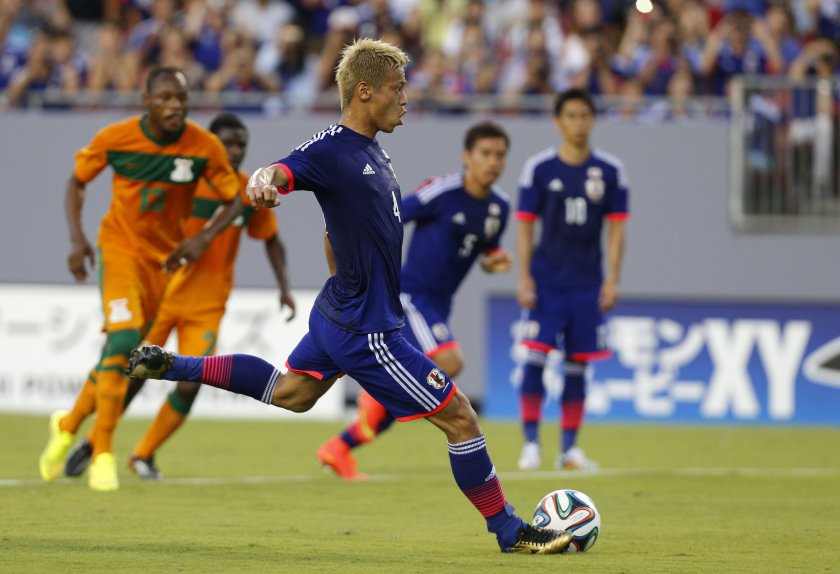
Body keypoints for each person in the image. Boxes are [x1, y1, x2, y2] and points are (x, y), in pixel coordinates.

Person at [127, 38, 572, 555]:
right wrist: (263, 182)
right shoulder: (333, 149)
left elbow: (333, 229)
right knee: (460, 419)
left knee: (291, 393)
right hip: (368, 328)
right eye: (396, 88)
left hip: (343, 311)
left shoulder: (372, 152)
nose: (405, 98)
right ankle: (510, 531)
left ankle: (173, 366)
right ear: (364, 92)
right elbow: (280, 171)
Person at [38, 67, 243, 492]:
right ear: (146, 101)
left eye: (181, 99)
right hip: (119, 249)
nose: (174, 106)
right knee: (124, 340)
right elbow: (76, 182)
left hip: (162, 264)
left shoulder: (202, 147)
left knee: (124, 348)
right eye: (165, 98)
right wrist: (77, 241)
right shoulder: (117, 138)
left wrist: (203, 238)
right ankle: (104, 455)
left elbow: (234, 197)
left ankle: (69, 423)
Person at [62, 113, 297, 480]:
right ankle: (93, 440)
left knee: (191, 382)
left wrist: (284, 288)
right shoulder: (182, 181)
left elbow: (272, 241)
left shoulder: (246, 191)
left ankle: (142, 454)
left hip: (206, 306)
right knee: (134, 370)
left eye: (241, 145)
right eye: (227, 144)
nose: (234, 151)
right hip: (164, 295)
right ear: (209, 145)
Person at [316, 120, 513, 480]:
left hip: (439, 305)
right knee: (449, 361)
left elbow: (484, 252)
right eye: (485, 153)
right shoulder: (441, 191)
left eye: (500, 156)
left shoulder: (499, 208)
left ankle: (342, 445)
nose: (493, 162)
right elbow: (390, 215)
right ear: (467, 156)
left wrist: (493, 261)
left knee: (413, 386)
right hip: (409, 295)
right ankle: (375, 399)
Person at [515, 88, 628, 471]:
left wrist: (612, 280)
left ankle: (569, 450)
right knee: (535, 360)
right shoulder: (539, 169)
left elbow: (616, 230)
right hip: (546, 284)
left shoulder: (611, 172)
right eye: (572, 116)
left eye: (585, 115)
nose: (579, 123)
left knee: (578, 367)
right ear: (558, 121)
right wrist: (525, 276)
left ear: (592, 120)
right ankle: (531, 444)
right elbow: (526, 226)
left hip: (587, 286)